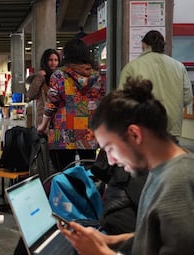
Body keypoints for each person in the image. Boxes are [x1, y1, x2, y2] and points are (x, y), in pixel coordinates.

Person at [58, 77, 194, 255]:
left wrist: (100, 253)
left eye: (110, 148)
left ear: (134, 134)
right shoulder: (163, 170)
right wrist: (109, 241)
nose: (112, 161)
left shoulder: (178, 185)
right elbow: (156, 238)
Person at [37, 39, 105, 171]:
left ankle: (67, 192)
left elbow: (51, 103)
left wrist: (43, 125)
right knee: (88, 172)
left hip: (62, 130)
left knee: (63, 174)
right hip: (88, 130)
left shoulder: (59, 75)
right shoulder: (96, 75)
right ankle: (86, 192)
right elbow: (101, 100)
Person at [118, 30, 193, 143]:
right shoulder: (179, 67)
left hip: (143, 128)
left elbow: (121, 100)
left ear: (144, 45)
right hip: (171, 130)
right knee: (170, 159)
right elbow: (187, 98)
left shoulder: (132, 67)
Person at [26, 48, 60, 127]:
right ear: (45, 61)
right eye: (50, 60)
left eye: (56, 60)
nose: (53, 63)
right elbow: (30, 95)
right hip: (42, 119)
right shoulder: (40, 77)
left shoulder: (61, 78)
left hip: (58, 118)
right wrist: (39, 77)